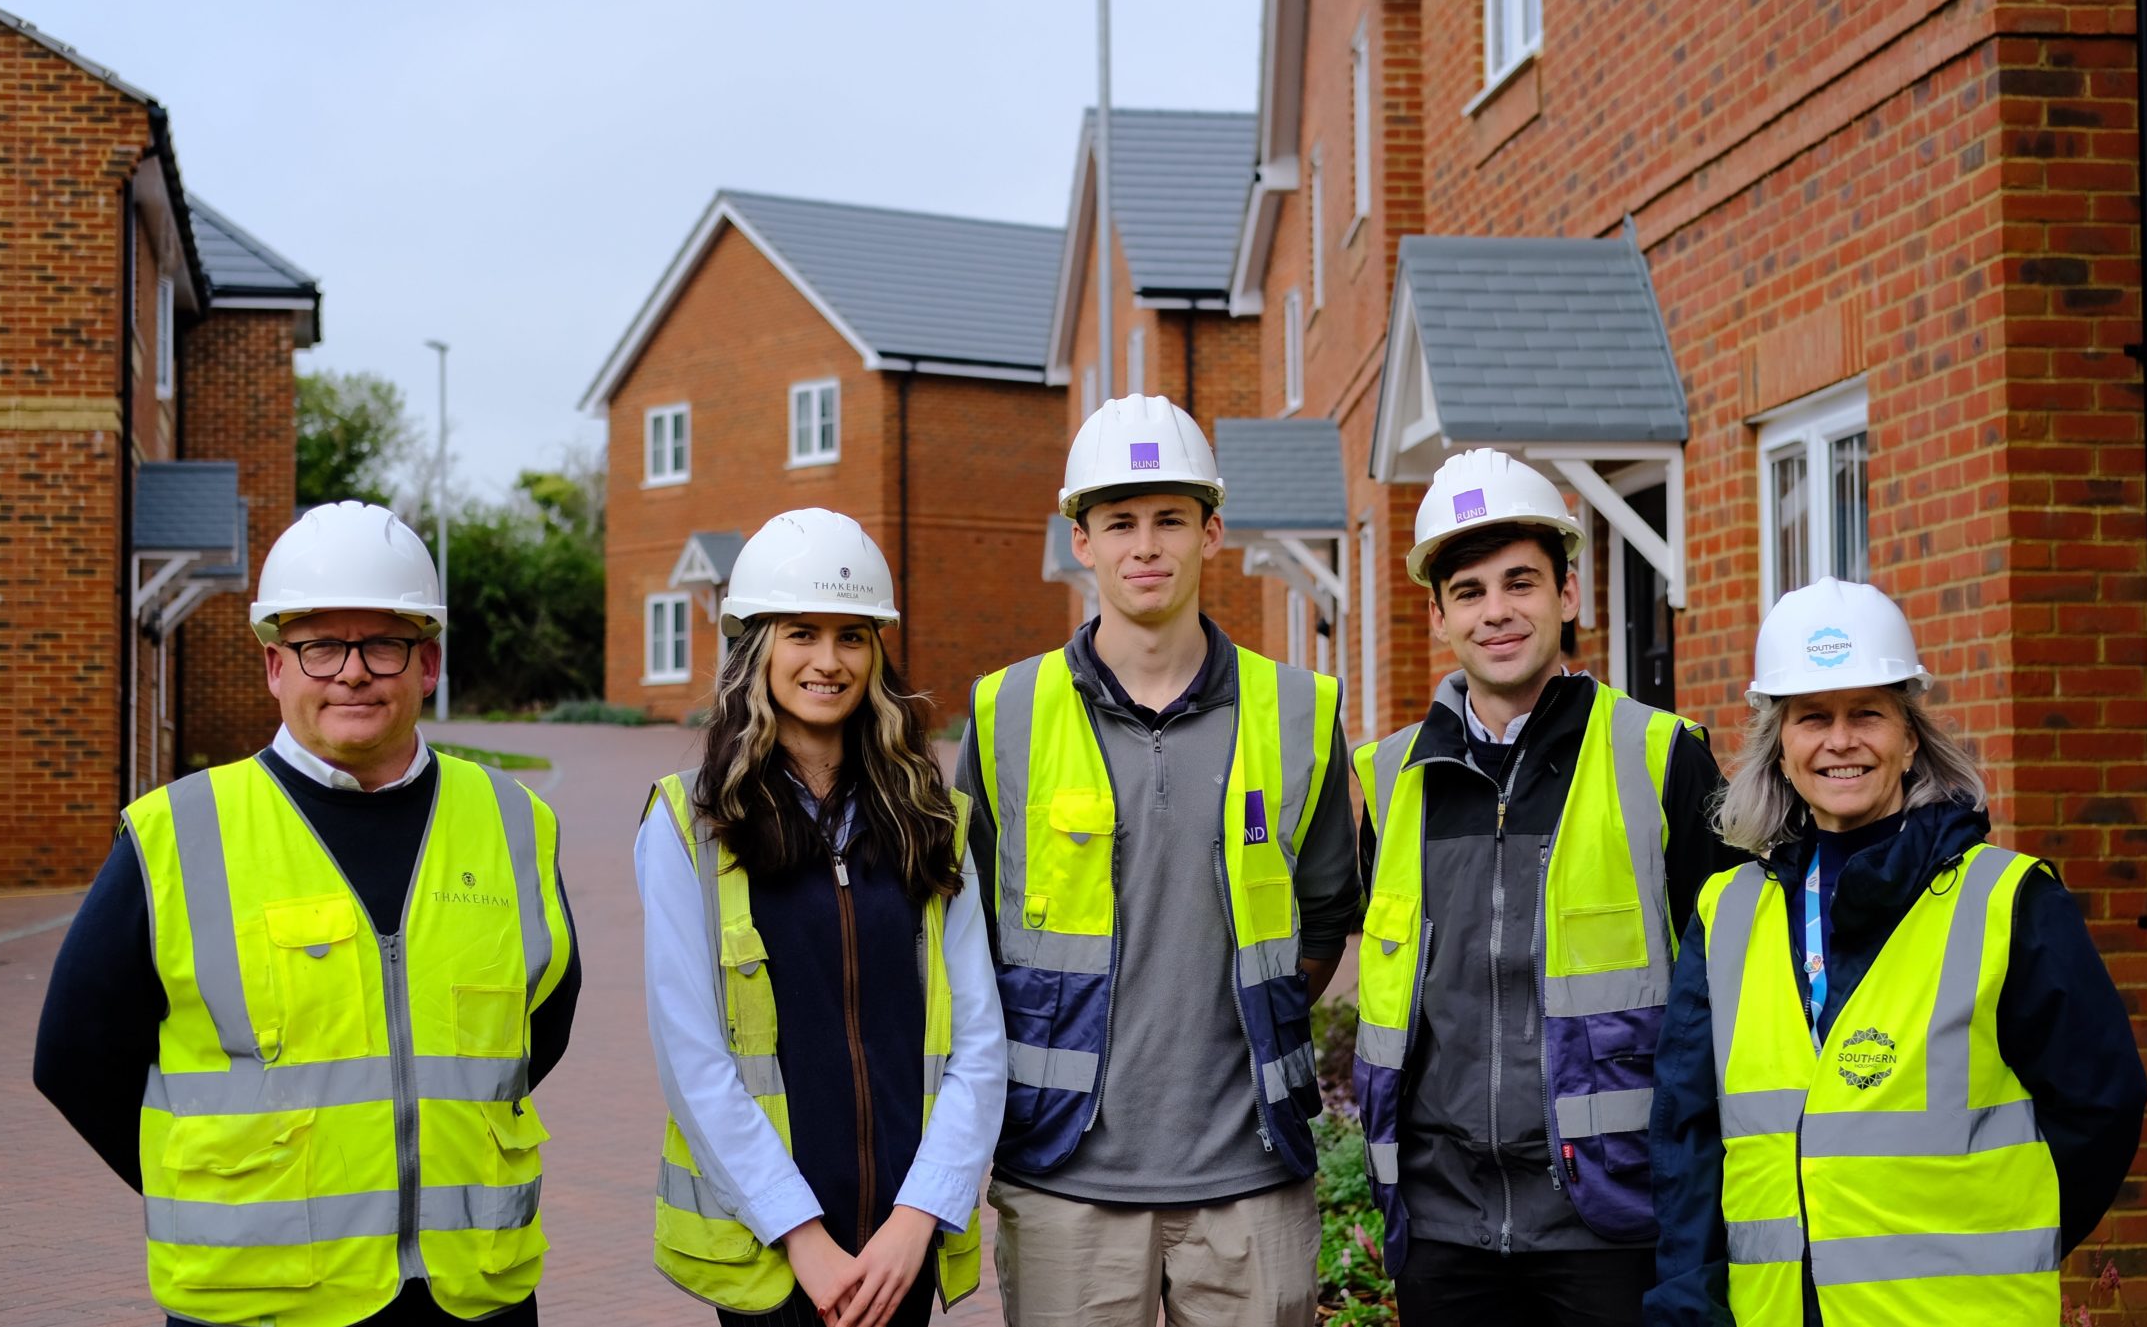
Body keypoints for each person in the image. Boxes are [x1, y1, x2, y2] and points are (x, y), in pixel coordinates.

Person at [35, 500, 580, 1327]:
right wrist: (227, 1185)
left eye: (383, 643)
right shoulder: (180, 832)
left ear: (427, 663)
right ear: (274, 666)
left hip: (474, 1297)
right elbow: (74, 1057)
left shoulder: (512, 821)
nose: (352, 671)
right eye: (320, 644)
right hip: (260, 1304)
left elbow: (539, 1031)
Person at [953, 394, 1362, 1327]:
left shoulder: (1298, 708)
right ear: (1081, 541)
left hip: (1252, 1178)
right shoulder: (1003, 713)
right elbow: (964, 933)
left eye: (1171, 519)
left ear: (1212, 531)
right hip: (1066, 1181)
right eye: (1120, 521)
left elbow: (1325, 917)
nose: (1147, 545)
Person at [1646, 577, 2147, 1325]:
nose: (1840, 740)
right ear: (1779, 745)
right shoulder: (1728, 912)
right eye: (1813, 716)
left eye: (1868, 714)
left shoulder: (2006, 900)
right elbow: (1688, 1139)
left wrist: (2001, 1237)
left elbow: (2101, 1108)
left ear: (1910, 736)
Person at [1348, 449, 1738, 1326]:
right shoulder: (1389, 780)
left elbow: (1732, 994)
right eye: (1471, 591)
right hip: (1443, 1227)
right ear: (1439, 615)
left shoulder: (1662, 756)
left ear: (1568, 595)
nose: (1497, 612)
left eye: (1520, 582)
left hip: (1611, 1220)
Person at [638, 509, 1001, 1327]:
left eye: (853, 635)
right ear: (756, 646)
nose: (828, 661)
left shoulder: (935, 815)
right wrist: (802, 1235)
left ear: (878, 653)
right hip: (771, 1249)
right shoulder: (684, 825)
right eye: (801, 632)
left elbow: (977, 1036)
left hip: (900, 1244)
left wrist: (920, 1218)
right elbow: (692, 1060)